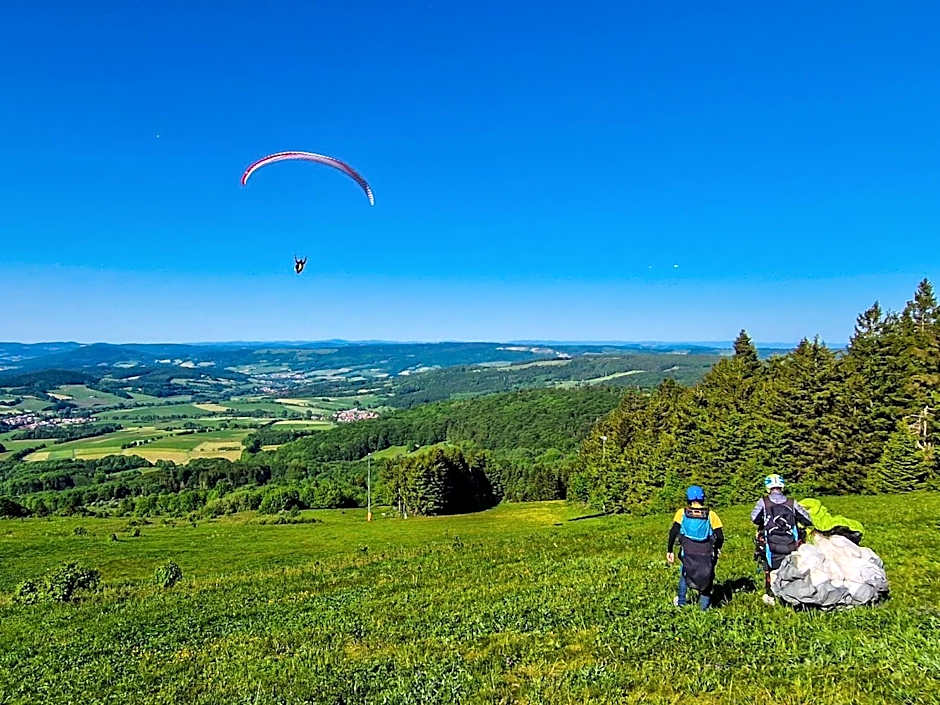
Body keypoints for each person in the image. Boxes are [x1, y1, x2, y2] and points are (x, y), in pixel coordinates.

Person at [752, 474, 814, 605]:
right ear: (782, 486)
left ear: (768, 487)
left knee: (770, 569)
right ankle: (794, 596)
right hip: (791, 543)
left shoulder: (763, 502)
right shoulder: (792, 503)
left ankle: (772, 595)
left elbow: (754, 518)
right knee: (792, 568)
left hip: (771, 544)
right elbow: (807, 520)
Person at [667, 485, 724, 610]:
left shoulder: (682, 513)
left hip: (687, 552)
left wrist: (670, 550)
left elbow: (673, 532)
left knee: (684, 574)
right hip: (706, 553)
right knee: (707, 579)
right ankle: (703, 609)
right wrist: (717, 548)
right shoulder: (711, 514)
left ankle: (681, 603)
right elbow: (720, 536)